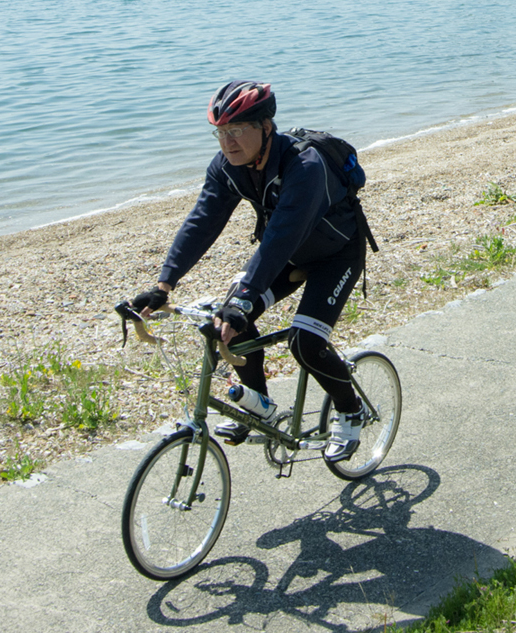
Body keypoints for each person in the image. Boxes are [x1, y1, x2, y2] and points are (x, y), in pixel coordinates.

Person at [129, 80, 369, 462]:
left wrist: (242, 298)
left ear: (266, 127)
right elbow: (202, 222)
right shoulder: (229, 167)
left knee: (304, 343)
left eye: (237, 131)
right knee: (228, 324)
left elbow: (279, 238)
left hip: (335, 254)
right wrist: (164, 284)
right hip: (286, 255)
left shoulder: (306, 167)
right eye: (220, 133)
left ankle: (351, 409)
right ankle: (261, 408)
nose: (228, 142)